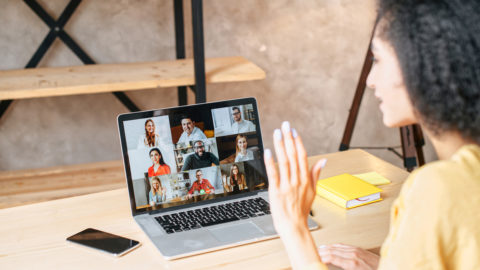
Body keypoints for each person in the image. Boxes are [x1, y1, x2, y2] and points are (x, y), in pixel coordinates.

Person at [264, 0, 480, 269]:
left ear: (423, 63)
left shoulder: (439, 189)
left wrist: (294, 228)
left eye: (377, 59)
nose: (370, 80)